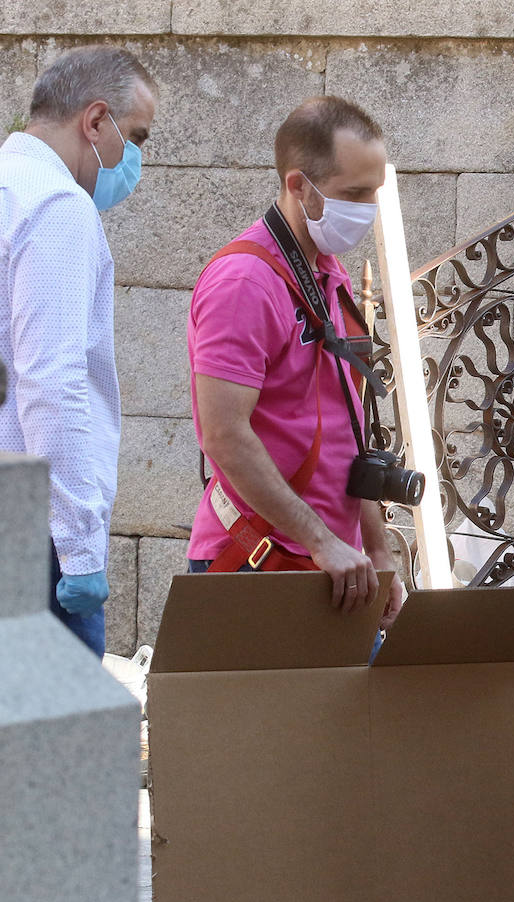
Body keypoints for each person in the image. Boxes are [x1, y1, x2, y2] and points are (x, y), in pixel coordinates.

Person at [186, 96, 405, 630]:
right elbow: (223, 434)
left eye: (374, 191)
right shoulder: (244, 281)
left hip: (331, 566)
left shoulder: (328, 272)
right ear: (298, 186)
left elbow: (346, 430)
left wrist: (376, 548)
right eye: (353, 194)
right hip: (258, 566)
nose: (367, 208)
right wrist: (323, 540)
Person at [0, 45, 158, 657]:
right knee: (57, 748)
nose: (136, 157)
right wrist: (81, 548)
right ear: (95, 122)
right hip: (30, 531)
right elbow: (52, 380)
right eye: (135, 136)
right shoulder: (56, 206)